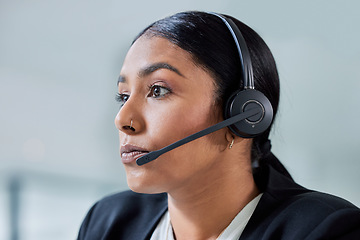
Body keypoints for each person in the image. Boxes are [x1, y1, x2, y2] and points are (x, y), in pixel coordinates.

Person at [77, 11, 360, 239]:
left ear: (244, 114)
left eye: (158, 90)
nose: (122, 119)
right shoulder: (107, 223)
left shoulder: (327, 230)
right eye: (123, 96)